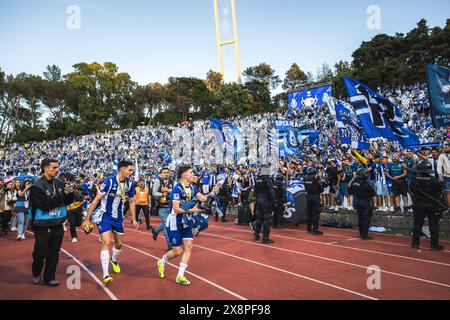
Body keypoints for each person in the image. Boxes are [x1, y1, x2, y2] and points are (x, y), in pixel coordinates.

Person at [82, 160, 139, 286]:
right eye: (130, 170)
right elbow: (97, 199)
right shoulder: (109, 181)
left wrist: (134, 218)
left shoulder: (130, 185)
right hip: (105, 216)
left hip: (118, 218)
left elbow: (131, 201)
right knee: (106, 242)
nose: (131, 172)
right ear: (122, 170)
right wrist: (87, 218)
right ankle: (105, 274)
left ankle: (113, 259)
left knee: (119, 244)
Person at [156, 165, 209, 286]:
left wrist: (213, 193)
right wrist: (196, 210)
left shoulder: (192, 187)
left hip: (186, 222)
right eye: (191, 173)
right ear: (184, 175)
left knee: (189, 246)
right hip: (175, 222)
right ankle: (162, 261)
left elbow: (203, 198)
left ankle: (180, 275)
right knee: (177, 251)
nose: (193, 175)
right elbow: (177, 209)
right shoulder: (177, 189)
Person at [29, 159, 75, 286]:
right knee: (40, 253)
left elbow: (65, 202)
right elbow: (44, 205)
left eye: (57, 167)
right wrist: (62, 195)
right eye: (54, 167)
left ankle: (49, 277)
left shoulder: (59, 183)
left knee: (54, 253)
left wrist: (71, 194)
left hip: (57, 223)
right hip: (42, 225)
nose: (57, 170)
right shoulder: (36, 186)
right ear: (45, 168)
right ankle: (36, 272)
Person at [410, 160, 445, 251]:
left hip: (419, 203)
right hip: (431, 204)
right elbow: (438, 192)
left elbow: (412, 190)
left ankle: (415, 243)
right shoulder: (433, 180)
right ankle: (434, 245)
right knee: (433, 224)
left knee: (417, 224)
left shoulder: (415, 179)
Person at [349, 168, 376, 240]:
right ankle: (364, 235)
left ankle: (361, 233)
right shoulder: (366, 184)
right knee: (366, 219)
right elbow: (373, 194)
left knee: (360, 218)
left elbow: (350, 188)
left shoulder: (355, 183)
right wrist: (375, 204)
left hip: (358, 202)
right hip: (365, 202)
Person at [152, 168, 174, 251]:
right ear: (161, 174)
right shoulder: (158, 181)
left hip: (171, 206)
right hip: (161, 207)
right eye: (164, 172)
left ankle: (156, 230)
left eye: (168, 172)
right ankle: (170, 245)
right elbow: (154, 192)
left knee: (167, 223)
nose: (166, 174)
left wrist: (168, 190)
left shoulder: (172, 181)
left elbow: (175, 191)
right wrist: (162, 193)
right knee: (166, 224)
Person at [253, 164, 276, 244]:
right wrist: (274, 201)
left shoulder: (258, 179)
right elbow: (271, 191)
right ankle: (265, 238)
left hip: (259, 199)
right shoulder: (267, 179)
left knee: (260, 218)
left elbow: (255, 191)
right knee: (267, 219)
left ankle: (256, 234)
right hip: (266, 200)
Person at [304, 167, 325, 235]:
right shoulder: (316, 179)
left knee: (309, 213)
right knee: (315, 214)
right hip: (315, 197)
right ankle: (315, 229)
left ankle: (308, 228)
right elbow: (321, 189)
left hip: (308, 197)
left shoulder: (306, 179)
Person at [437, 143, 450, 208]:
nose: (444, 149)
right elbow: (439, 166)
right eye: (444, 148)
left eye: (446, 148)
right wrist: (440, 175)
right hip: (447, 176)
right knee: (448, 192)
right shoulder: (442, 155)